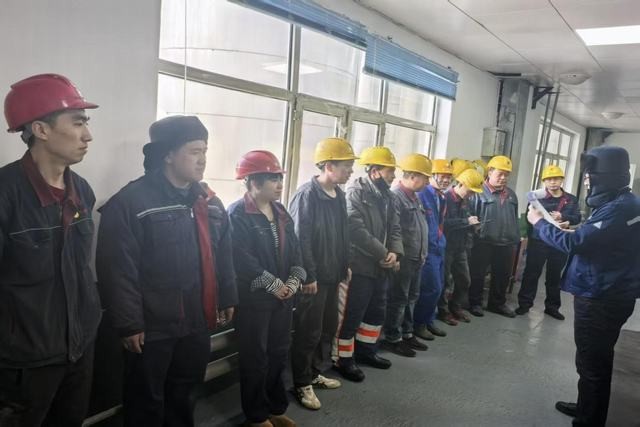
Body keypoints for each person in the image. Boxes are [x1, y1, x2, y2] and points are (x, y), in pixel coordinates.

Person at [96, 116, 237, 427]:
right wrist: (130, 324)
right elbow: (118, 269)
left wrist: (227, 295)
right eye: (194, 151)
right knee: (145, 400)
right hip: (152, 327)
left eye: (205, 151)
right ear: (168, 155)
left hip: (196, 321)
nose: (202, 160)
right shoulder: (131, 202)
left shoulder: (209, 202)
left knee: (185, 394)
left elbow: (223, 254)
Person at [0, 73, 101, 426]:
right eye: (77, 122)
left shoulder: (82, 190)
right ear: (41, 129)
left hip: (79, 349)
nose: (88, 135)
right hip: (24, 363)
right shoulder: (6, 194)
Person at [528, 146, 640, 427]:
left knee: (592, 364)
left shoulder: (618, 209)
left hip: (601, 295)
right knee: (594, 359)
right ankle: (585, 407)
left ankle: (588, 420)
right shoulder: (626, 202)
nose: (587, 181)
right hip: (612, 289)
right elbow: (597, 237)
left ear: (605, 176)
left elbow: (573, 244)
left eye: (591, 175)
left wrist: (539, 223)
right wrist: (575, 229)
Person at [228, 150, 305, 427]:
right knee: (255, 357)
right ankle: (257, 416)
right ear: (253, 181)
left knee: (278, 353)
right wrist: (273, 284)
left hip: (283, 299)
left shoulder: (281, 212)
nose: (279, 184)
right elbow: (241, 259)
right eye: (273, 179)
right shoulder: (237, 213)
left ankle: (275, 408)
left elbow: (295, 250)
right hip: (255, 301)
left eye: (279, 178)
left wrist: (294, 281)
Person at [288, 138, 355, 410]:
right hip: (313, 280)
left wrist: (344, 264)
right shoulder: (307, 195)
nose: (350, 171)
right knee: (308, 331)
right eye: (346, 166)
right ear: (329, 166)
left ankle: (315, 372)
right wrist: (308, 276)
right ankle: (301, 382)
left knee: (327, 328)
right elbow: (300, 239)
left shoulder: (339, 195)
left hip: (332, 275)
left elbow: (343, 234)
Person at [333, 146, 403, 382]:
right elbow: (355, 229)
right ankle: (343, 359)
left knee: (375, 312)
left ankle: (366, 351)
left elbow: (395, 227)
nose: (393, 176)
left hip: (382, 266)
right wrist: (383, 253)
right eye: (390, 171)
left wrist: (395, 252)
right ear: (375, 172)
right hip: (361, 266)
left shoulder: (389, 196)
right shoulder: (355, 193)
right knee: (353, 314)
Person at [381, 154, 431, 357]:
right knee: (398, 299)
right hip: (404, 259)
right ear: (412, 176)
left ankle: (407, 333)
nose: (427, 182)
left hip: (416, 257)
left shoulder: (414, 197)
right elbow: (394, 231)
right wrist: (397, 256)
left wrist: (423, 253)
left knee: (411, 297)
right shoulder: (396, 197)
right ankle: (393, 338)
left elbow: (418, 228)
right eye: (425, 178)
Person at [516, 164, 581, 320]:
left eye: (556, 179)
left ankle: (552, 307)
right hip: (539, 241)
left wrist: (564, 218)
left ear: (562, 180)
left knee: (554, 276)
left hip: (559, 242)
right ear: (544, 181)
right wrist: (527, 237)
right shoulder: (536, 198)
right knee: (531, 273)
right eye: (549, 179)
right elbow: (529, 218)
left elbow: (577, 218)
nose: (552, 182)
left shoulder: (571, 199)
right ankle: (524, 304)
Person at [468, 155, 520, 318]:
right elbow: (470, 216)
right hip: (483, 241)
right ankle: (475, 303)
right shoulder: (478, 192)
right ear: (490, 172)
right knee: (478, 274)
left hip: (506, 242)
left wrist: (515, 237)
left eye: (506, 175)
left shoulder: (511, 195)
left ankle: (497, 304)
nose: (503, 178)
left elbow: (514, 216)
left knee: (502, 275)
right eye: (500, 174)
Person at [440, 168, 485, 323]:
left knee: (464, 280)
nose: (471, 194)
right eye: (470, 191)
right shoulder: (445, 199)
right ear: (460, 184)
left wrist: (473, 226)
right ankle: (443, 311)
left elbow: (467, 220)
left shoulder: (466, 201)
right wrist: (466, 221)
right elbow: (443, 224)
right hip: (446, 247)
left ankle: (455, 306)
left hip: (461, 247)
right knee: (445, 282)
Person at [413, 159, 451, 339]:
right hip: (428, 249)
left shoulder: (440, 196)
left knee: (439, 286)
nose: (446, 180)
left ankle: (429, 320)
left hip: (439, 246)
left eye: (449, 177)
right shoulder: (422, 194)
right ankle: (419, 324)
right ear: (432, 176)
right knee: (431, 288)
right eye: (442, 176)